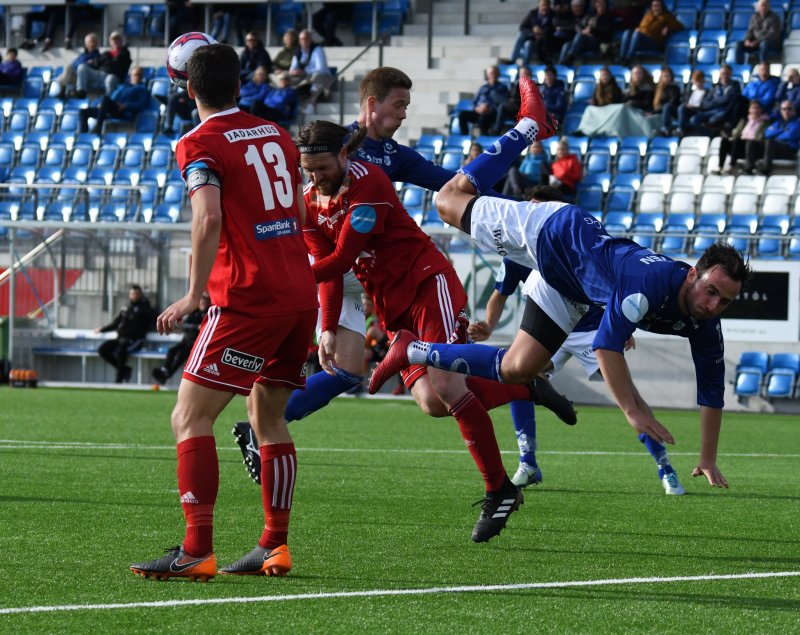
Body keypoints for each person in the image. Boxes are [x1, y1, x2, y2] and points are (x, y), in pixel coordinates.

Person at [369, 75, 753, 492]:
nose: (714, 305)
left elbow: (712, 392)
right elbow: (607, 348)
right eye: (712, 291)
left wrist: (708, 457)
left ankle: (414, 350)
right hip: (557, 233)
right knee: (447, 200)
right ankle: (531, 125)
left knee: (518, 368)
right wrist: (633, 411)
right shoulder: (653, 283)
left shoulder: (705, 323)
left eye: (724, 301)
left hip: (571, 288)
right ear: (693, 273)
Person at [232, 66, 570, 490]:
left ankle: (519, 385)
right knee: (355, 370)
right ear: (372, 105)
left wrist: (514, 208)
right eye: (398, 105)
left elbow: (454, 183)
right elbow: (327, 249)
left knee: (416, 386)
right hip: (344, 267)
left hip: (362, 266)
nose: (405, 114)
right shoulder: (336, 149)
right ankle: (264, 423)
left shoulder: (389, 157)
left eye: (408, 106)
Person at [296, 118, 570, 544]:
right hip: (391, 306)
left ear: (345, 155)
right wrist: (327, 327)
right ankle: (525, 387)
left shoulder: (370, 186)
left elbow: (341, 257)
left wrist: (281, 274)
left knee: (445, 383)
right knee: (431, 403)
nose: (316, 178)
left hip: (428, 284)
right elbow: (327, 270)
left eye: (322, 168)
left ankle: (500, 489)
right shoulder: (310, 200)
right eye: (308, 170)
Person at [129, 43, 318, 581]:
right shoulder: (277, 134)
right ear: (240, 85)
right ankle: (274, 545)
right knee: (270, 417)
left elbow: (208, 216)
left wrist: (193, 293)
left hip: (247, 297)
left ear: (188, 88)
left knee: (190, 416)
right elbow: (299, 211)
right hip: (297, 293)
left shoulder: (198, 143)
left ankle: (195, 549)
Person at [473, 251, 686, 494]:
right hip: (549, 332)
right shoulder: (517, 254)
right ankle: (528, 462)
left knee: (631, 399)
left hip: (592, 330)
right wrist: (488, 326)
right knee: (517, 380)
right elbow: (499, 295)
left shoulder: (574, 245)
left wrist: (622, 326)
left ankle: (665, 467)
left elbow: (612, 286)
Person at [96, 284, 153, 384]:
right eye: (132, 293)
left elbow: (154, 320)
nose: (134, 296)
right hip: (121, 338)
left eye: (136, 294)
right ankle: (124, 370)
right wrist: (102, 329)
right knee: (102, 349)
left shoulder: (145, 308)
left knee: (121, 351)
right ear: (129, 295)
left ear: (140, 295)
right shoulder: (126, 307)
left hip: (135, 340)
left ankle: (119, 378)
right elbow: (115, 323)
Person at [152, 293, 211, 385]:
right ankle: (165, 370)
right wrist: (196, 327)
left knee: (181, 355)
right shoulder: (194, 312)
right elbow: (184, 325)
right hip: (186, 340)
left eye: (206, 299)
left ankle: (166, 374)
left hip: (197, 343)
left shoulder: (209, 313)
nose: (204, 301)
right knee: (172, 350)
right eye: (202, 299)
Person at [78, 65, 150, 133]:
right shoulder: (123, 86)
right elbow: (112, 97)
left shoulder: (142, 89)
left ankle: (98, 127)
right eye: (136, 75)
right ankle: (82, 135)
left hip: (124, 112)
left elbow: (142, 104)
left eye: (140, 75)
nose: (137, 77)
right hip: (111, 109)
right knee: (83, 112)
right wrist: (103, 104)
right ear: (131, 75)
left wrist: (126, 105)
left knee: (106, 99)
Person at [617, 0, 683, 65]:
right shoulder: (648, 14)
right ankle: (621, 57)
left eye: (657, 5)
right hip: (641, 39)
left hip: (653, 42)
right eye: (654, 6)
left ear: (662, 6)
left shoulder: (666, 16)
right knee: (627, 32)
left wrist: (668, 27)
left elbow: (680, 26)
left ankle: (629, 58)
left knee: (636, 35)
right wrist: (638, 28)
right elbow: (642, 25)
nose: (655, 7)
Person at [683, 64, 741, 135]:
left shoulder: (734, 86)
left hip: (723, 111)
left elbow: (727, 100)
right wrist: (718, 101)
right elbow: (705, 103)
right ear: (720, 74)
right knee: (694, 119)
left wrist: (715, 100)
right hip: (710, 111)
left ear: (730, 74)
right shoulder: (716, 87)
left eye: (727, 73)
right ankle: (709, 135)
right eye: (723, 73)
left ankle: (712, 135)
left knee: (713, 120)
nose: (725, 75)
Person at [716, 100, 768, 175]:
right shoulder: (745, 120)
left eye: (757, 108)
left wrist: (745, 138)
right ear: (749, 110)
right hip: (740, 145)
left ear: (761, 109)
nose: (755, 110)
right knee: (725, 141)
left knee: (738, 141)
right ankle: (720, 166)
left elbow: (760, 137)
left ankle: (731, 166)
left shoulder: (765, 122)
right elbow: (736, 133)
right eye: (753, 108)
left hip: (754, 147)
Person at [75, 31, 132, 97]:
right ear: (110, 41)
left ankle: (108, 100)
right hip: (100, 74)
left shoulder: (125, 53)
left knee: (109, 79)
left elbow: (116, 64)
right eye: (113, 39)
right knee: (82, 67)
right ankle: (81, 92)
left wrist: (105, 60)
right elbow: (96, 62)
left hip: (114, 76)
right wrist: (93, 62)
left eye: (118, 39)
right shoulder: (107, 53)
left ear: (121, 40)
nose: (115, 41)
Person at [458, 65, 510, 136]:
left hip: (492, 113)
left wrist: (489, 108)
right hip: (479, 111)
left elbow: (503, 102)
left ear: (498, 74)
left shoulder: (502, 88)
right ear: (487, 75)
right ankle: (464, 136)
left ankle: (484, 137)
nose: (493, 75)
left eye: (495, 73)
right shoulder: (482, 88)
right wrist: (477, 109)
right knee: (462, 115)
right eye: (491, 73)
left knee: (483, 118)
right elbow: (474, 102)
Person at [559, 0, 613, 65]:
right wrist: (584, 31)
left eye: (602, 4)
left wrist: (591, 31)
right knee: (567, 45)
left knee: (580, 36)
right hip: (586, 39)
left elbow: (606, 30)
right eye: (598, 4)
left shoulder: (608, 17)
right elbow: (578, 25)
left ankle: (571, 57)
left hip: (598, 42)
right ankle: (561, 65)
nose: (600, 6)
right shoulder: (592, 16)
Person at [754, 100, 800, 176]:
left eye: (789, 109)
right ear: (781, 111)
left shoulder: (797, 122)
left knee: (770, 141)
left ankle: (766, 168)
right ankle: (751, 168)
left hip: (790, 151)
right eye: (784, 109)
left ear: (794, 111)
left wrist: (776, 134)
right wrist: (783, 130)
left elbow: (791, 135)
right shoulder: (777, 122)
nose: (786, 111)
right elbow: (767, 133)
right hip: (776, 149)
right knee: (753, 143)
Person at [289, 29, 333, 105]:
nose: (304, 41)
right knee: (285, 77)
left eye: (306, 39)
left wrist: (305, 71)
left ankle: (312, 102)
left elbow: (321, 69)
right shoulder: (297, 51)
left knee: (316, 77)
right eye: (302, 39)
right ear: (299, 41)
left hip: (322, 76)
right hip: (304, 76)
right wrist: (294, 71)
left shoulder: (318, 50)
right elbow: (292, 68)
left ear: (310, 40)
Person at [508, 0, 556, 65]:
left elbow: (553, 30)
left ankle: (525, 66)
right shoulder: (533, 13)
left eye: (546, 5)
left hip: (543, 44)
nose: (544, 7)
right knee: (523, 38)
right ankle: (515, 61)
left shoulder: (553, 15)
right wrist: (533, 32)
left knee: (528, 44)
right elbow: (522, 27)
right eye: (543, 5)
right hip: (531, 38)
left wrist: (541, 33)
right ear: (539, 5)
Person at [734, 0, 782, 65]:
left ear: (769, 7)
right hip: (755, 42)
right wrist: (747, 40)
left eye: (765, 5)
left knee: (764, 44)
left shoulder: (774, 17)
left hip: (770, 43)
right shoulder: (754, 17)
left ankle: (763, 66)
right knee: (738, 44)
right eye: (762, 5)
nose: (763, 7)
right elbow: (750, 31)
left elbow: (773, 34)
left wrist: (758, 41)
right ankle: (739, 66)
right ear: (758, 7)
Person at [54, 33, 100, 99]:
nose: (91, 44)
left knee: (65, 71)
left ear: (96, 43)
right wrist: (82, 63)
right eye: (89, 42)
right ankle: (62, 87)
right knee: (68, 67)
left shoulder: (97, 56)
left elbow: (87, 66)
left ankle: (62, 89)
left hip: (84, 79)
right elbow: (74, 64)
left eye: (93, 42)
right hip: (75, 75)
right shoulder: (83, 55)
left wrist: (81, 64)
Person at [671, 69, 707, 136]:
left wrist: (692, 106)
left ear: (703, 80)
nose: (698, 83)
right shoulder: (690, 92)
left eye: (699, 81)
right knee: (670, 107)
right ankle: (666, 129)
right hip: (686, 111)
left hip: (697, 111)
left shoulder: (707, 92)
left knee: (682, 107)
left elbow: (705, 106)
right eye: (696, 81)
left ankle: (681, 129)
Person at [653, 66, 682, 136]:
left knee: (667, 106)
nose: (666, 78)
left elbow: (673, 101)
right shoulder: (658, 89)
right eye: (664, 76)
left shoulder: (675, 88)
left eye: (668, 76)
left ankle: (665, 128)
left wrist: (660, 108)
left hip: (673, 110)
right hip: (660, 111)